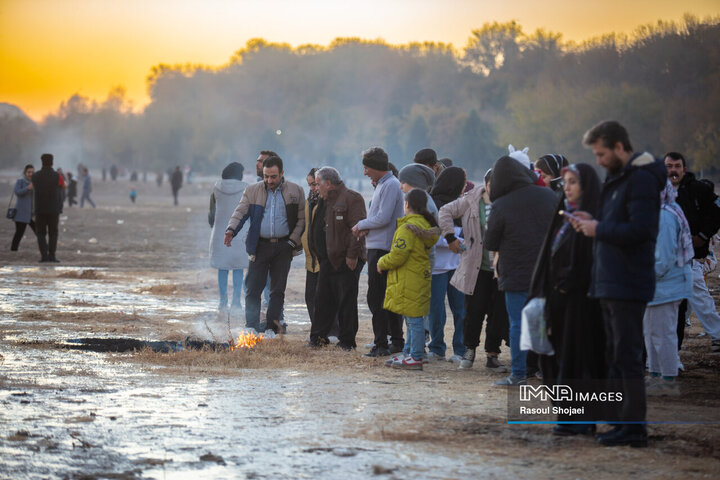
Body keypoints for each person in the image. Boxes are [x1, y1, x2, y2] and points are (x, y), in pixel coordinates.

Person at [571, 120, 666, 448]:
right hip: (611, 280)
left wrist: (600, 229)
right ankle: (621, 421)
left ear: (619, 147)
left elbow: (642, 230)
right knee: (615, 354)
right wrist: (592, 221)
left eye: (601, 154)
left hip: (627, 281)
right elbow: (617, 222)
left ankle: (634, 428)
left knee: (627, 355)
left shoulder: (640, 180)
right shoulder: (619, 177)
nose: (597, 161)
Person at [529, 163, 604, 436]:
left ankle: (582, 421)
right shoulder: (563, 217)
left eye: (574, 182)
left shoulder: (592, 220)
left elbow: (588, 264)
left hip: (582, 305)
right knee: (557, 359)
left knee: (579, 361)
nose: (568, 188)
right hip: (557, 303)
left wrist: (566, 284)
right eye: (567, 182)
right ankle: (566, 417)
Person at [484, 155, 557, 386]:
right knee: (547, 323)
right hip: (547, 272)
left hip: (515, 273)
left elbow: (491, 243)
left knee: (518, 324)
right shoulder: (548, 195)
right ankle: (548, 371)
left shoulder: (501, 204)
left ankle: (518, 374)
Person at [225, 155, 305, 334]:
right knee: (253, 288)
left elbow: (301, 220)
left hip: (284, 247)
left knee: (277, 290)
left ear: (282, 173)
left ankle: (271, 327)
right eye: (266, 176)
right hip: (259, 247)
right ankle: (251, 327)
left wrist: (291, 242)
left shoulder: (296, 191)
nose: (269, 180)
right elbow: (240, 212)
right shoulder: (252, 191)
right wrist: (231, 230)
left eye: (273, 177)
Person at [439, 168, 508, 371]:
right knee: (473, 311)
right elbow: (445, 212)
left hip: (501, 268)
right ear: (485, 184)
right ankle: (469, 351)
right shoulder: (471, 200)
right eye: (491, 186)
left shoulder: (508, 201)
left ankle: (492, 354)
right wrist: (450, 238)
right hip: (476, 267)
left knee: (498, 313)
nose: (495, 190)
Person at [352, 147, 405, 357]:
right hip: (377, 245)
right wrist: (367, 227)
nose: (365, 173)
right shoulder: (384, 184)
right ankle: (394, 341)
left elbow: (383, 218)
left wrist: (360, 225)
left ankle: (382, 344)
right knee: (384, 297)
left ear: (374, 167)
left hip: (383, 249)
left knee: (378, 298)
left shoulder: (390, 185)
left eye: (366, 168)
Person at [665, 152, 720, 352]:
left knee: (698, 296)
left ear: (684, 169)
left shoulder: (697, 190)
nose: (672, 170)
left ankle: (717, 335)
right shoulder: (658, 192)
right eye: (668, 166)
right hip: (665, 258)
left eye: (676, 166)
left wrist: (703, 236)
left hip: (691, 257)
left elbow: (717, 210)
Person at [379, 189, 440, 370]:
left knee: (414, 321)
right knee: (413, 318)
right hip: (418, 277)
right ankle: (408, 353)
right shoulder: (425, 225)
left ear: (407, 204)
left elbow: (398, 255)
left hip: (408, 279)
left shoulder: (408, 227)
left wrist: (382, 262)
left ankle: (415, 357)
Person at [308, 167, 367, 350]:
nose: (316, 188)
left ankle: (347, 342)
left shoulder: (352, 198)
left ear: (328, 183)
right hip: (327, 260)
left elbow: (357, 230)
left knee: (346, 301)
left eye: (318, 184)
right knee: (322, 300)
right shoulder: (323, 200)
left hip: (345, 260)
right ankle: (318, 338)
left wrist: (352, 255)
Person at [644, 180, 693, 397]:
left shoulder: (663, 216)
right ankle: (656, 375)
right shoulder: (664, 209)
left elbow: (662, 260)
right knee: (653, 332)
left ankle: (667, 379)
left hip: (665, 286)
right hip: (661, 286)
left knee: (662, 334)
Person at [427, 166, 467, 363]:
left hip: (458, 265)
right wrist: (451, 240)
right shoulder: (432, 204)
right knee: (435, 309)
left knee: (460, 308)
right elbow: (431, 235)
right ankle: (436, 347)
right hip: (437, 266)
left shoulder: (463, 205)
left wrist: (459, 242)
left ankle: (460, 349)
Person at [209, 162, 249, 314]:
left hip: (220, 233)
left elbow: (211, 213)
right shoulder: (246, 189)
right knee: (238, 267)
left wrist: (214, 226)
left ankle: (222, 301)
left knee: (223, 267)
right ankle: (237, 302)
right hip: (239, 232)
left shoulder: (216, 189)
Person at [31, 153, 64, 262]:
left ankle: (44, 256)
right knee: (53, 233)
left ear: (42, 162)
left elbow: (33, 187)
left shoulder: (35, 176)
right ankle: (52, 256)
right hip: (54, 209)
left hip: (40, 209)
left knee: (40, 233)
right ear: (52, 162)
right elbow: (63, 186)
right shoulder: (57, 176)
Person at [302, 168, 321, 325]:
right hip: (310, 259)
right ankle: (316, 329)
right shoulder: (309, 201)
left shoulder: (327, 202)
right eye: (310, 185)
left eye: (314, 184)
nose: (312, 188)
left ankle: (330, 331)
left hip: (323, 257)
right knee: (309, 296)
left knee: (324, 297)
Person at [11, 164, 36, 251]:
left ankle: (45, 250)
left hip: (32, 213)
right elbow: (18, 192)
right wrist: (28, 188)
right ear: (25, 172)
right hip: (21, 213)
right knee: (19, 233)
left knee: (39, 232)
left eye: (32, 172)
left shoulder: (35, 182)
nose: (31, 174)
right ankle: (13, 250)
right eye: (29, 172)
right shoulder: (20, 181)